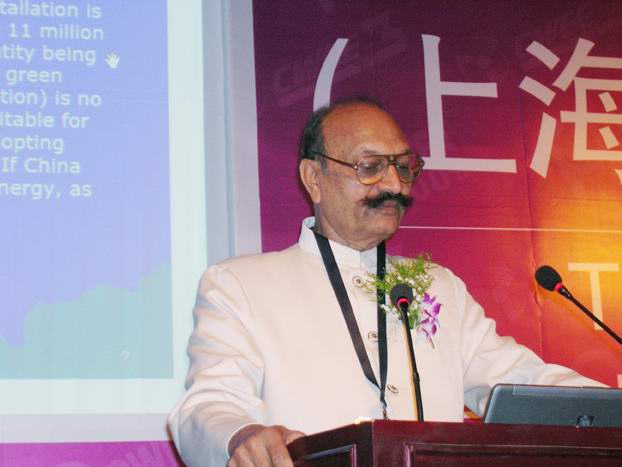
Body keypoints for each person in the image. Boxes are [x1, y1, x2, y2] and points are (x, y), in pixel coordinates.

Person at [168, 98, 603, 467]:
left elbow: (518, 383)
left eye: (403, 166)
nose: (395, 184)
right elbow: (207, 404)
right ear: (313, 179)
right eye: (370, 167)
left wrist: (607, 407)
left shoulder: (438, 285)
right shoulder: (242, 284)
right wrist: (242, 435)